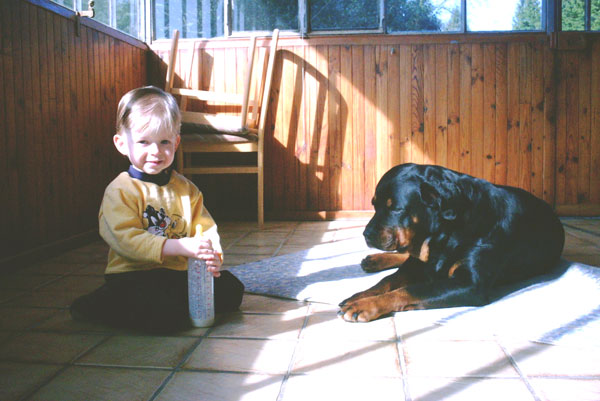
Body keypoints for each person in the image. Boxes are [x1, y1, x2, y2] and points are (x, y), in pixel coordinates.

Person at [70, 86, 244, 330]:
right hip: (134, 276)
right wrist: (179, 246)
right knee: (159, 311)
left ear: (176, 142)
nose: (156, 151)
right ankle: (100, 304)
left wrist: (212, 256)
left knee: (232, 289)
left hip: (176, 275)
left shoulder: (187, 189)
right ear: (121, 144)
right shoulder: (120, 191)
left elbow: (205, 229)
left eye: (164, 141)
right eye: (143, 142)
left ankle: (172, 307)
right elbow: (127, 240)